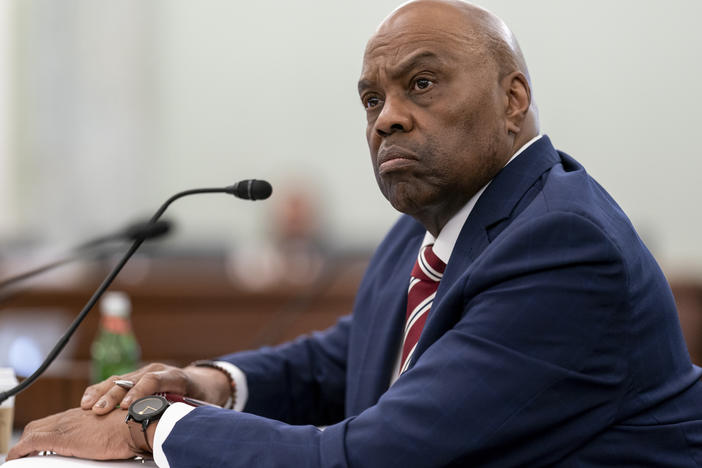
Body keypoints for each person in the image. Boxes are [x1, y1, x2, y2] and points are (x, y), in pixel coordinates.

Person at [9, 0, 702, 466]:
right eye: (372, 99)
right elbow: (340, 363)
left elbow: (368, 458)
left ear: (512, 100)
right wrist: (207, 383)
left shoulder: (565, 249)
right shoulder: (425, 230)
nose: (385, 119)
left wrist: (149, 422)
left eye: (422, 84)